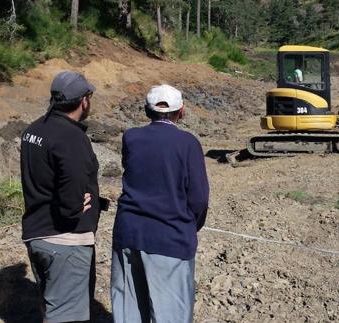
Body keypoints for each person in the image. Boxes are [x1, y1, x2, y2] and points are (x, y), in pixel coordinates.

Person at [111, 84, 209, 323]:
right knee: (170, 315)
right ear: (182, 112)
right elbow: (199, 198)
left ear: (147, 110)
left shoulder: (131, 137)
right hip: (170, 238)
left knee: (129, 313)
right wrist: (188, 226)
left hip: (128, 233)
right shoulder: (187, 143)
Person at [20, 70, 104, 322]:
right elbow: (72, 185)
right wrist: (74, 206)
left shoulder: (33, 129)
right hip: (64, 240)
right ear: (84, 101)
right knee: (66, 316)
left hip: (37, 233)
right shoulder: (71, 137)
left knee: (52, 305)